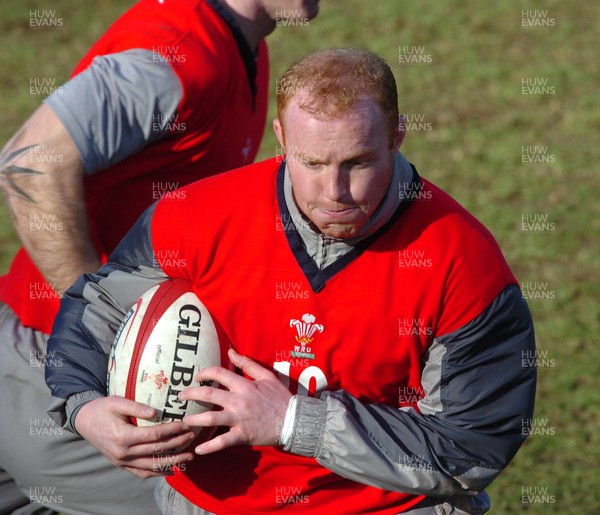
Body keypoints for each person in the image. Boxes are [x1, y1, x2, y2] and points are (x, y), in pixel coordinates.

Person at [46, 48, 536, 514]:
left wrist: (294, 422)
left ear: (397, 136)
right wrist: (82, 405)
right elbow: (101, 306)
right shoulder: (194, 217)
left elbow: (473, 447)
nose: (335, 192)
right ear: (281, 138)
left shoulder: (463, 263)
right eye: (313, 163)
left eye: (358, 162)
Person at [0, 0, 320, 513]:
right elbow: (31, 165)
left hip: (43, 365)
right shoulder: (179, 54)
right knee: (274, 495)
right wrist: (98, 332)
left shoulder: (242, 47)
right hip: (48, 373)